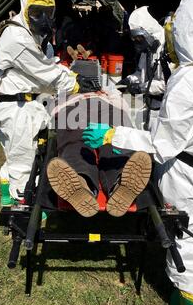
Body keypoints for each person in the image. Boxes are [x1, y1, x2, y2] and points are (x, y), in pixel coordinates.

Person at [83, 0, 193, 305]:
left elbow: (163, 144)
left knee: (189, 248)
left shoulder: (189, 79)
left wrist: (113, 133)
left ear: (181, 33)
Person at [0, 0, 96, 206]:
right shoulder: (17, 38)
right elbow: (46, 73)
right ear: (25, 8)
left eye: (47, 12)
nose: (43, 18)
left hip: (27, 105)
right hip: (17, 109)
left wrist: (68, 76)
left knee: (21, 157)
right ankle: (23, 212)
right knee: (23, 162)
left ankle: (8, 197)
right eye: (36, 12)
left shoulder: (35, 37)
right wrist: (76, 83)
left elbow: (49, 66)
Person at [46, 90, 152, 218]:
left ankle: (121, 184)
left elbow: (123, 105)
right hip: (73, 108)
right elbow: (52, 110)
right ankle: (81, 184)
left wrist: (106, 94)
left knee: (114, 140)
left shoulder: (107, 89)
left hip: (107, 108)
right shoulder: (65, 89)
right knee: (76, 142)